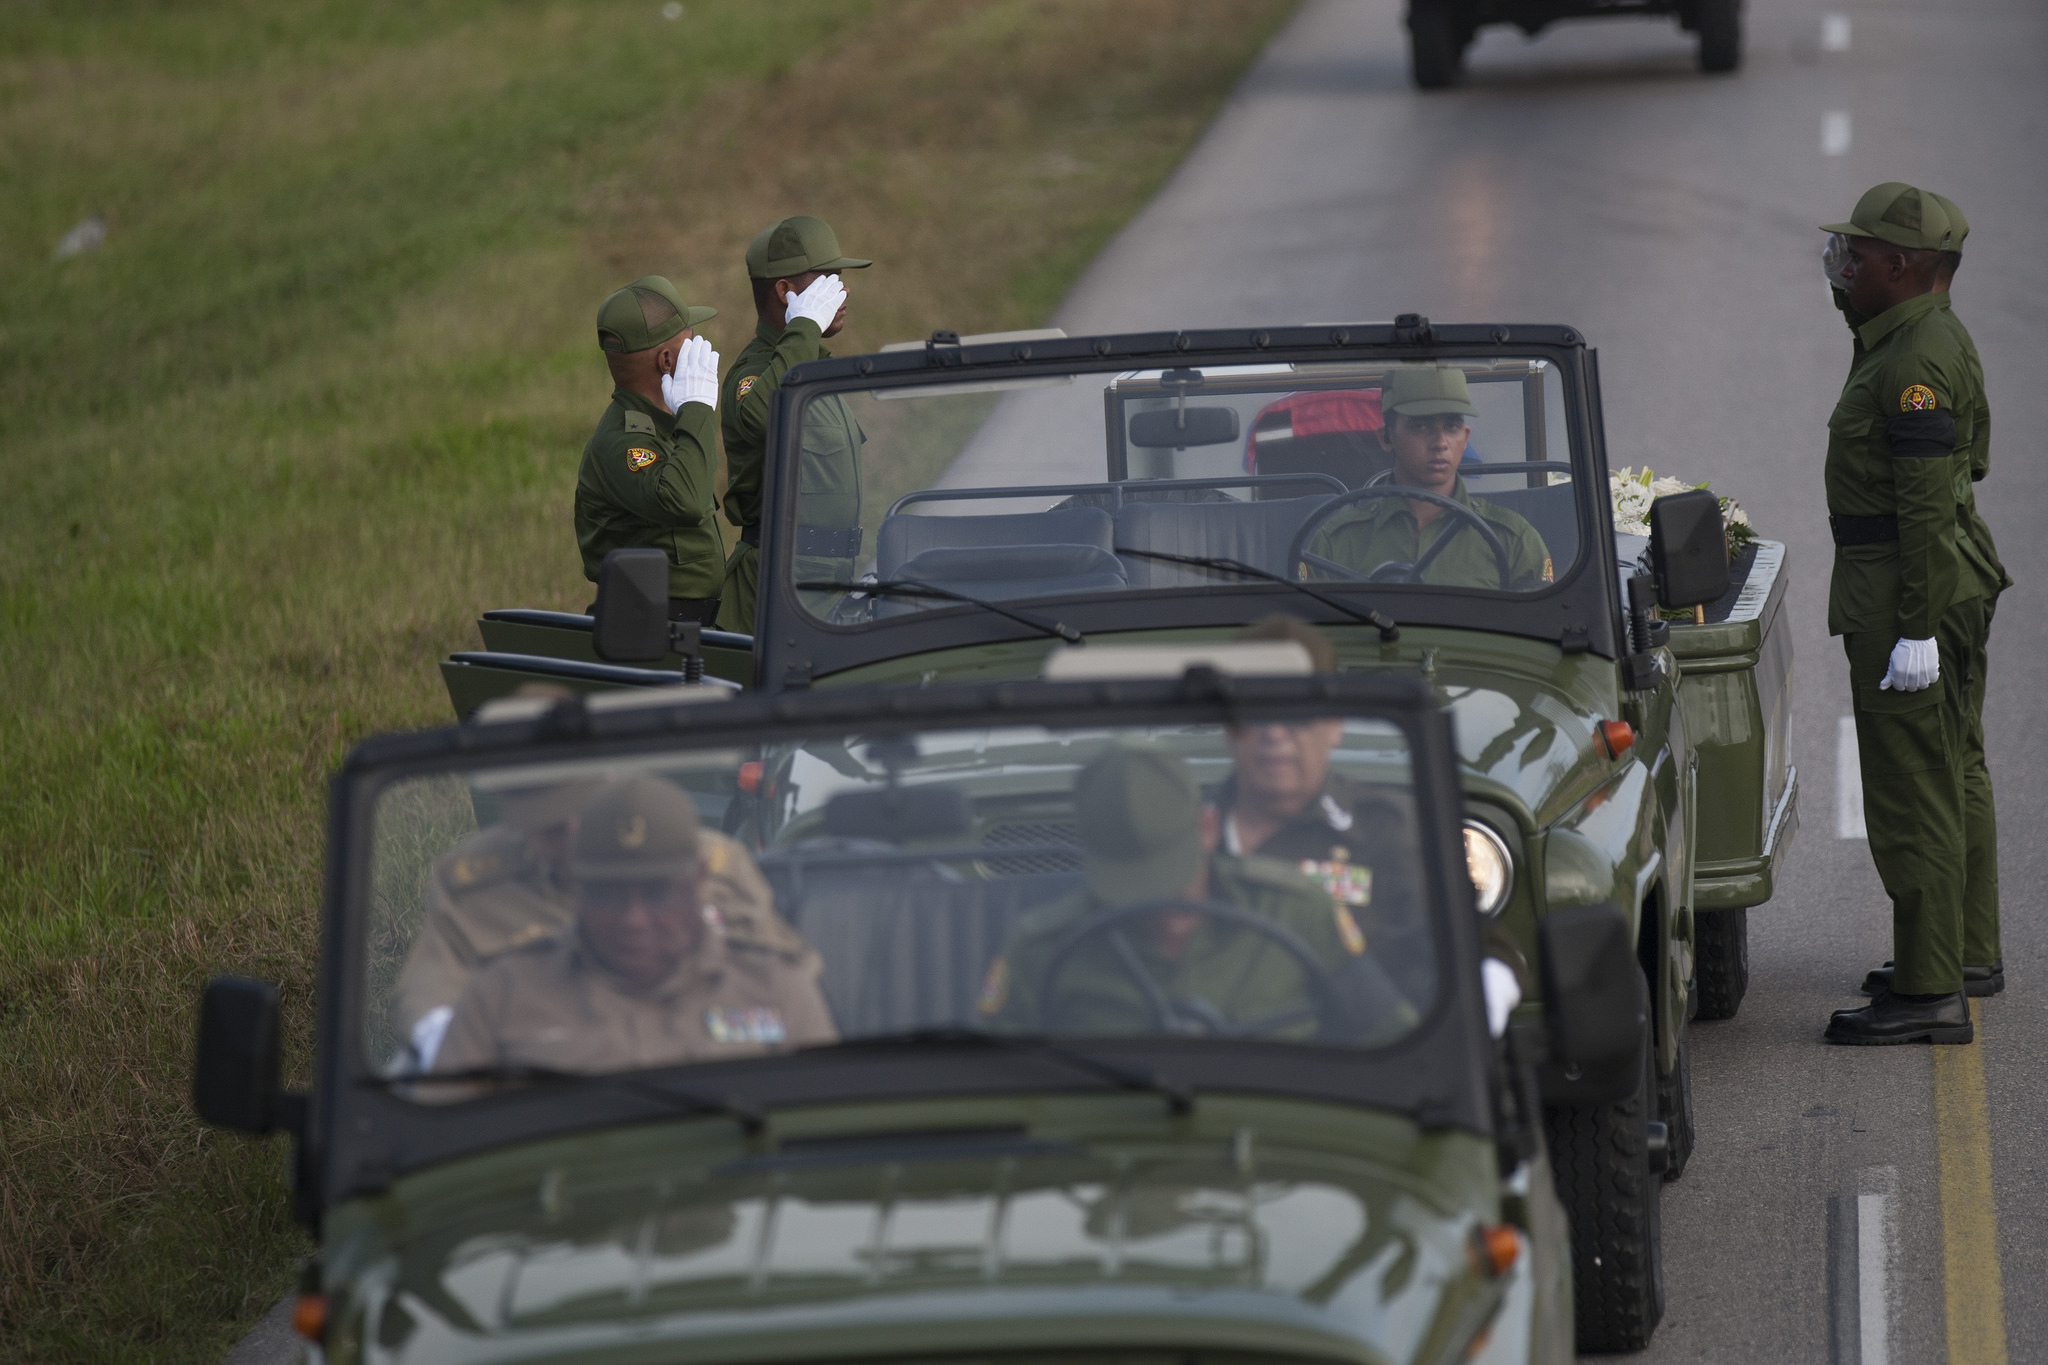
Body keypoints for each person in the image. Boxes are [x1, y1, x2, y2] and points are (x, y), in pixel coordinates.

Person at [1815, 183, 1989, 1045]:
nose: (1842, 266)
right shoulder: (1916, 334)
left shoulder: (1912, 360)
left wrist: (1916, 624)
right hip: (1941, 575)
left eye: (1856, 254)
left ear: (1901, 265)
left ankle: (1928, 990)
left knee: (1913, 783)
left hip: (1908, 588)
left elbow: (1922, 505)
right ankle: (1965, 953)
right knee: (1955, 767)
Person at [977, 745, 1415, 1042]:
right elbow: (993, 1091)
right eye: (1132, 890)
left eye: (1172, 878)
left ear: (1208, 830)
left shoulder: (1298, 914)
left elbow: (1393, 1044)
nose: (1160, 909)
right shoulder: (1042, 949)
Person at [431, 776, 835, 1077]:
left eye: (658, 894)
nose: (634, 920)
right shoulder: (502, 996)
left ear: (698, 882)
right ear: (580, 889)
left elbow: (830, 1135)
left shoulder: (775, 988)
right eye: (609, 894)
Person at [715, 215, 871, 633]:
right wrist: (803, 325)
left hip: (827, 585)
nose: (843, 290)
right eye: (827, 279)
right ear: (785, 292)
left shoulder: (813, 369)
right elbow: (763, 417)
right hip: (777, 589)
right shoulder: (755, 375)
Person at [1301, 365, 1551, 590]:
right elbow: (1314, 635)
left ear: (1465, 438)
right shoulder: (1336, 543)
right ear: (1386, 437)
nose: (1440, 442)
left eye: (1451, 427)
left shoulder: (1512, 539)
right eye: (1420, 426)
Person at [574, 275, 727, 625]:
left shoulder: (662, 422)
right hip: (650, 630)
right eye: (690, 340)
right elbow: (686, 500)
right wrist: (700, 407)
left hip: (682, 622)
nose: (699, 344)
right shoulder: (624, 440)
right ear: (667, 361)